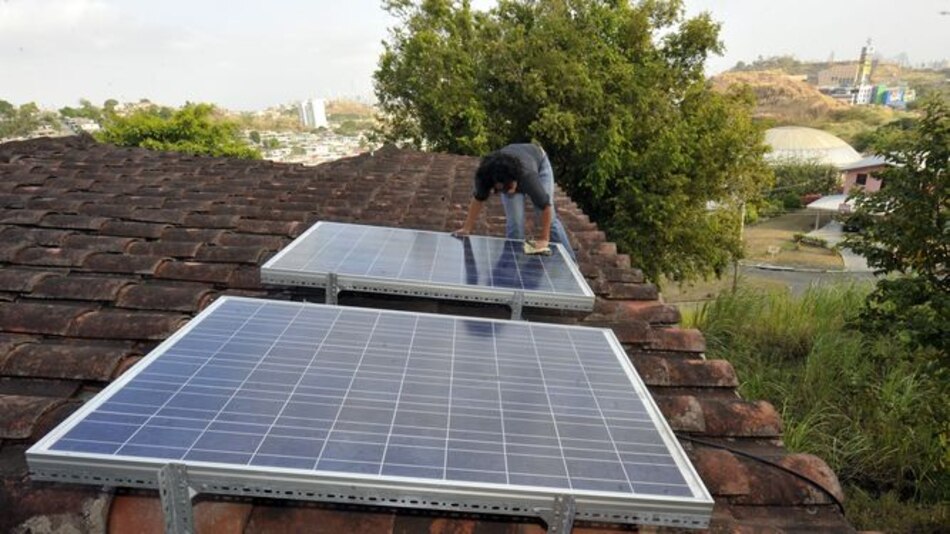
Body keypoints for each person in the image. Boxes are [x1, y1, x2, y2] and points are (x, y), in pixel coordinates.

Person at [454, 143, 576, 261]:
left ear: (515, 179)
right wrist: (466, 228)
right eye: (505, 190)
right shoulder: (484, 177)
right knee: (515, 224)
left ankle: (572, 263)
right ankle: (511, 266)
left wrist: (544, 239)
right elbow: (478, 200)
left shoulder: (528, 177)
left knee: (548, 218)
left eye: (511, 188)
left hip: (539, 161)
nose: (511, 192)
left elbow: (546, 207)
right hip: (508, 168)